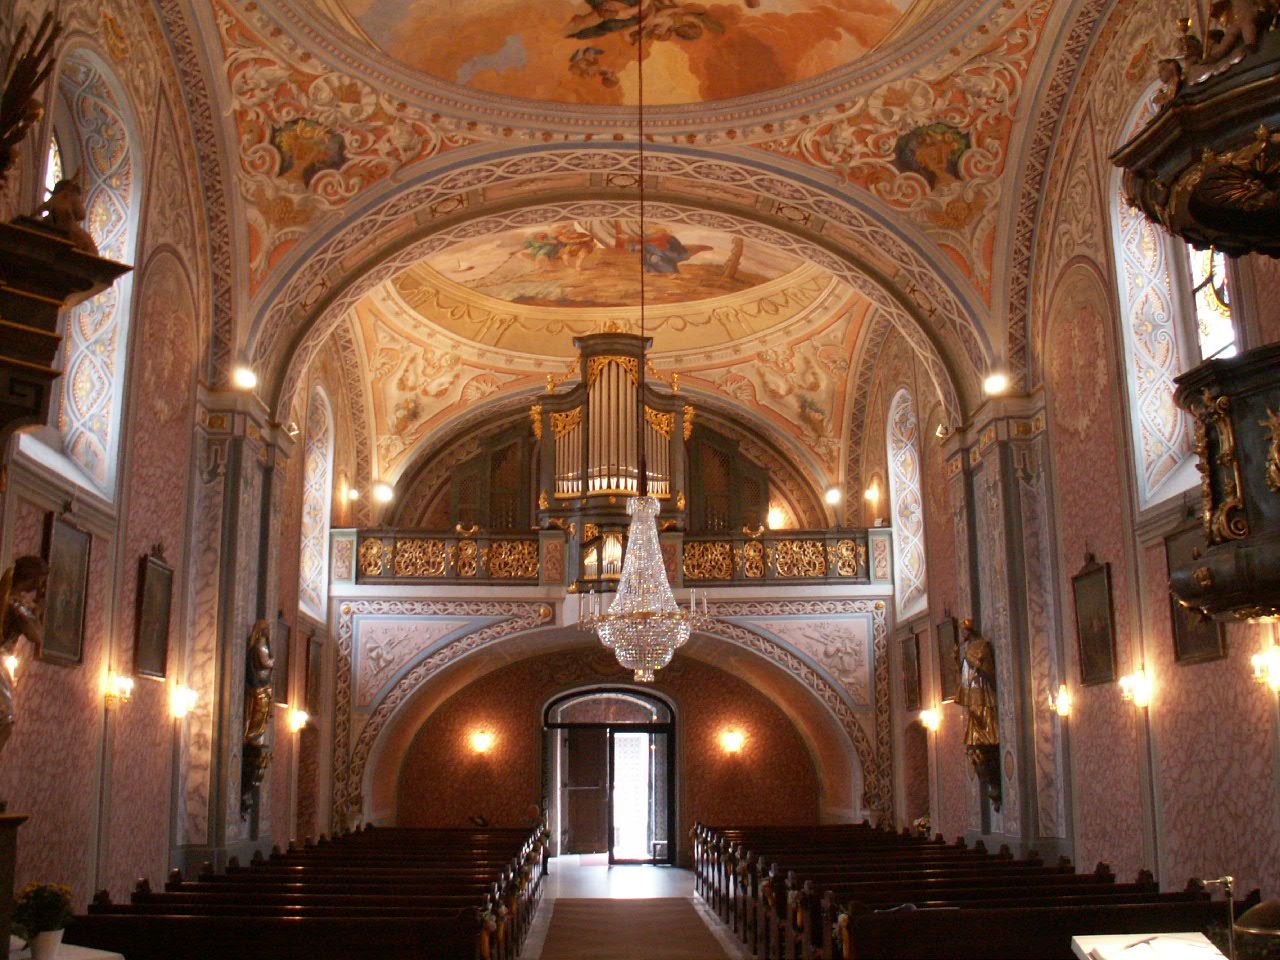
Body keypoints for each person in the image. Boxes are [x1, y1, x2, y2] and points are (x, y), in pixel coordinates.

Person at [0, 557, 48, 757]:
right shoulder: (17, 603)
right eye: (41, 580)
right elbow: (37, 636)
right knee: (5, 718)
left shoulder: (7, 597)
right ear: (34, 579)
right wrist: (38, 613)